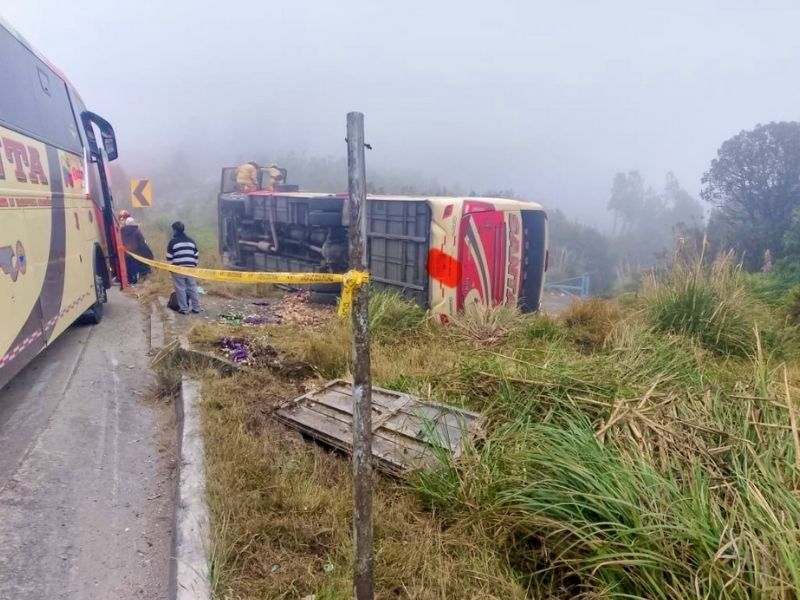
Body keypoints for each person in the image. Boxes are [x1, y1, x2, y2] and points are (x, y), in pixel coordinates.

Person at [167, 221, 201, 314]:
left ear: (174, 230)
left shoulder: (172, 242)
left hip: (178, 269)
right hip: (191, 269)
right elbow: (196, 254)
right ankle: (196, 308)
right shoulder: (191, 241)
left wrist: (171, 269)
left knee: (180, 288)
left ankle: (184, 309)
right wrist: (194, 265)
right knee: (192, 288)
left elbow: (169, 257)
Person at [120, 217, 154, 285]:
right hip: (135, 253)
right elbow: (142, 242)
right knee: (135, 267)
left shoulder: (122, 231)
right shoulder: (137, 231)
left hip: (125, 253)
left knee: (128, 267)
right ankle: (135, 282)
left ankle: (129, 281)